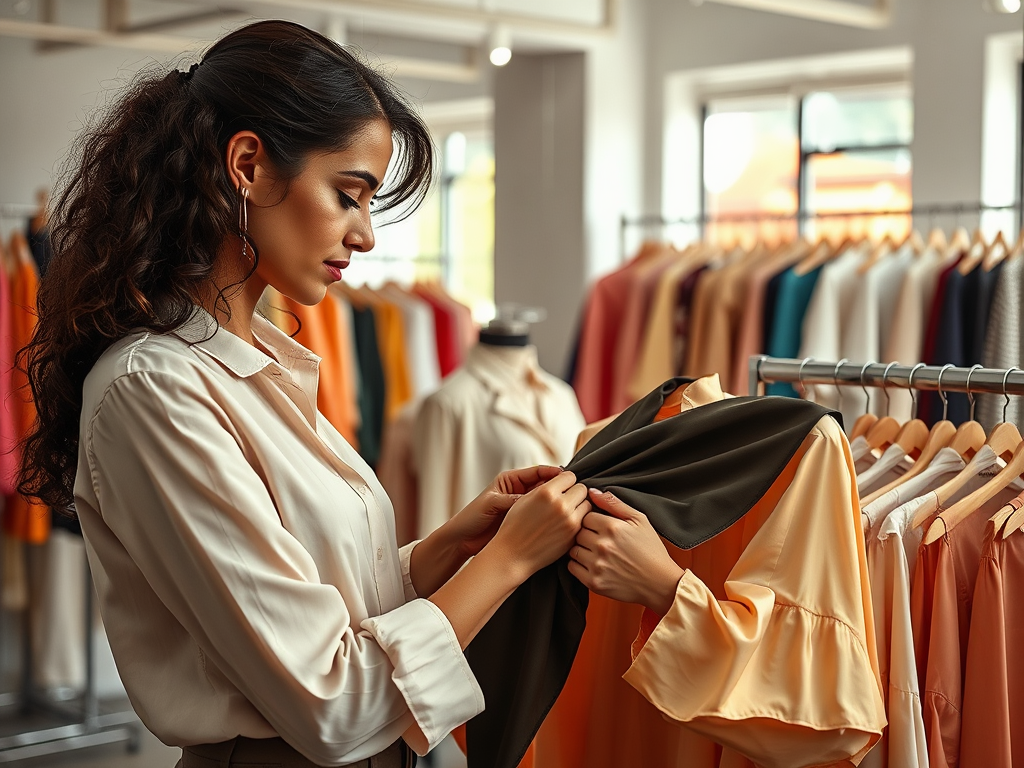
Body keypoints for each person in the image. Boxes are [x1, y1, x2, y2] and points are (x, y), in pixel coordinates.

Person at [17, 20, 591, 768]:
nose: (365, 236)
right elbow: (332, 701)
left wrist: (449, 549)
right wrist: (507, 561)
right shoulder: (152, 393)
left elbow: (316, 603)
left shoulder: (260, 363)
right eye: (348, 195)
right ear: (249, 165)